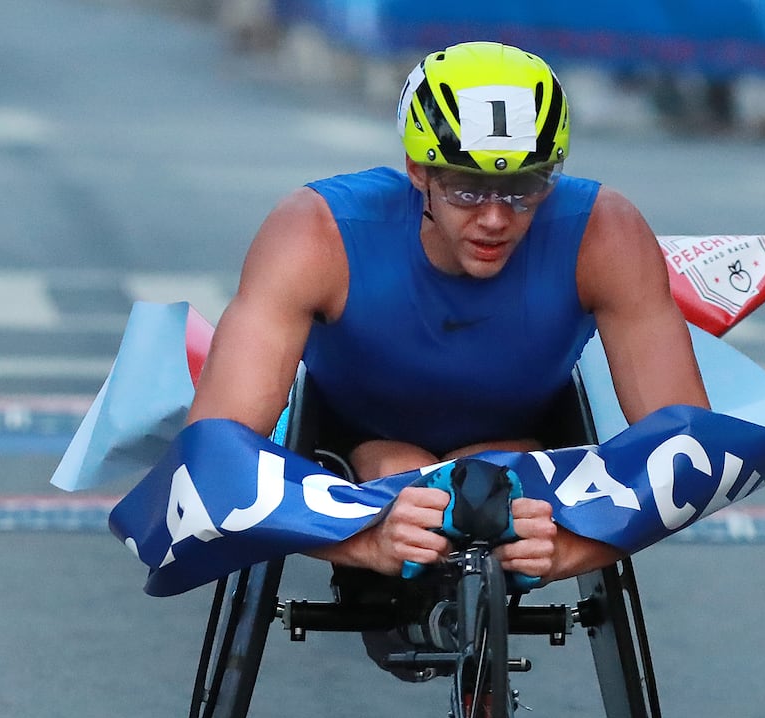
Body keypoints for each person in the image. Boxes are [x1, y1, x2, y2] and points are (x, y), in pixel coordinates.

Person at [186, 40, 711, 591]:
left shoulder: (606, 232)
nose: (494, 219)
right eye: (466, 188)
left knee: (496, 467)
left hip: (527, 448)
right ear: (418, 170)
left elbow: (688, 448)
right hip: (351, 450)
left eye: (523, 188)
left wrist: (574, 547)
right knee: (397, 463)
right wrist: (365, 542)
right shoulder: (316, 232)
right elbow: (215, 449)